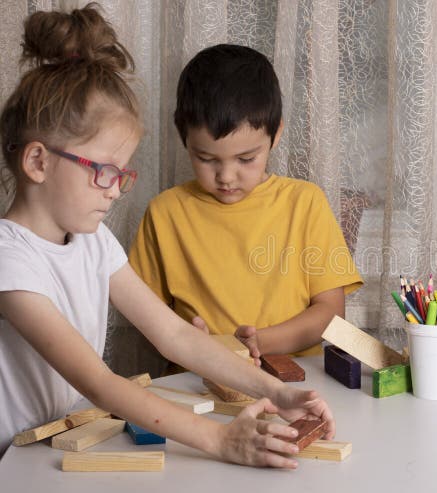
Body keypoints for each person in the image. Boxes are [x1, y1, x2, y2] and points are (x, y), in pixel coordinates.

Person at [0, 4, 334, 465]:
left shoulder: (92, 241)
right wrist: (220, 441)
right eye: (103, 172)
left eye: (122, 175)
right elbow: (100, 383)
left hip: (47, 446)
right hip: (9, 458)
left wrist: (276, 392)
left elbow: (174, 335)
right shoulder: (9, 259)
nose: (116, 191)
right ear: (38, 161)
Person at [128, 43, 362, 362]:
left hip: (296, 383)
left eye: (246, 158)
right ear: (184, 138)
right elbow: (144, 316)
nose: (226, 176)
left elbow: (331, 316)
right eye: (206, 158)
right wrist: (183, 339)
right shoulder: (165, 213)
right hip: (199, 386)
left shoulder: (305, 203)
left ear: (275, 135)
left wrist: (258, 343)